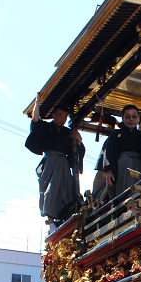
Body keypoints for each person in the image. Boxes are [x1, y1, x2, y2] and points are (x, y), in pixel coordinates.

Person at [25, 92, 84, 232]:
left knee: (67, 189)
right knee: (50, 189)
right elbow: (35, 119)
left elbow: (76, 152)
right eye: (60, 116)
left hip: (63, 163)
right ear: (54, 116)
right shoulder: (46, 127)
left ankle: (65, 218)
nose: (63, 119)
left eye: (65, 117)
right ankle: (51, 222)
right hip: (51, 160)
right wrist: (37, 103)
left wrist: (79, 141)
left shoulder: (67, 132)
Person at [100, 104, 141, 197]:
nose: (131, 119)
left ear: (138, 118)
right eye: (127, 116)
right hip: (123, 164)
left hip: (140, 165)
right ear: (123, 118)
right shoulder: (116, 134)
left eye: (134, 116)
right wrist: (109, 170)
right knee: (124, 191)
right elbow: (109, 152)